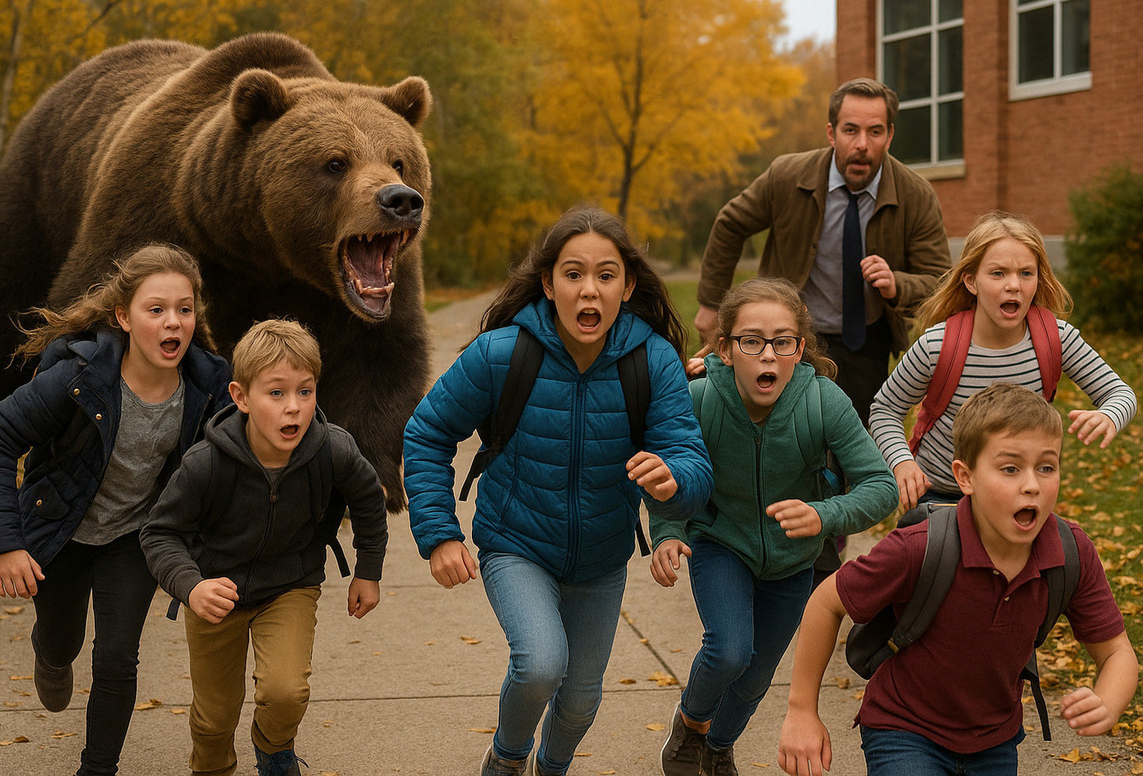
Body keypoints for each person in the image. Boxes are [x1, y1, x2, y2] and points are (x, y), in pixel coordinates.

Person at [403, 205, 714, 776]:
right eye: (573, 274)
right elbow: (427, 433)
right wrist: (440, 534)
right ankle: (506, 760)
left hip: (601, 558)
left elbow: (690, 461)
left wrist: (674, 481)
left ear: (627, 287)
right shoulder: (502, 354)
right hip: (515, 543)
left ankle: (552, 767)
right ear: (548, 284)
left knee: (580, 702)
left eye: (605, 275)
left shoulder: (653, 361)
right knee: (540, 664)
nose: (588, 290)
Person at [0, 244, 233, 776]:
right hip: (60, 528)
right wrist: (4, 545)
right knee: (62, 641)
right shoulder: (77, 377)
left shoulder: (208, 386)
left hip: (134, 536)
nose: (173, 322)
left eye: (184, 309)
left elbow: (245, 456)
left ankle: (97, 769)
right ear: (123, 318)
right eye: (155, 309)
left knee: (117, 656)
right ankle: (50, 652)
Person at [777, 383, 1138, 776]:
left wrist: (1108, 700)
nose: (1032, 484)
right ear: (965, 477)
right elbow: (826, 602)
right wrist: (802, 712)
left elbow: (1117, 653)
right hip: (904, 729)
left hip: (995, 740)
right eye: (1010, 468)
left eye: (1046, 467)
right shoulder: (919, 547)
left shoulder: (1070, 552)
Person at [650, 278, 898, 776]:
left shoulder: (823, 401)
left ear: (800, 349)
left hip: (793, 558)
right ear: (725, 349)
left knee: (757, 674)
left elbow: (881, 485)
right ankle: (691, 725)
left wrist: (825, 515)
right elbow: (667, 472)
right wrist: (667, 532)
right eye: (752, 341)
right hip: (719, 541)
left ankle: (719, 746)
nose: (768, 354)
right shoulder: (699, 399)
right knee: (729, 650)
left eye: (782, 342)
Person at [140, 319, 387, 776]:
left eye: (305, 391)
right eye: (276, 393)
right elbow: (159, 533)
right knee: (214, 718)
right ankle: (211, 768)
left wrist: (367, 570)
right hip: (214, 592)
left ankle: (274, 750)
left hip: (290, 586)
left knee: (286, 693)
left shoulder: (331, 449)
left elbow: (370, 499)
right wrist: (191, 587)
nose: (294, 407)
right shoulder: (206, 462)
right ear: (241, 397)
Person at [694, 77, 952, 427]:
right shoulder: (787, 176)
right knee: (782, 433)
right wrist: (711, 303)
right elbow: (730, 224)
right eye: (850, 130)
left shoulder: (916, 195)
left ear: (890, 135)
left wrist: (897, 285)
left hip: (867, 343)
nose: (862, 144)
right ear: (831, 133)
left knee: (855, 438)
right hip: (787, 338)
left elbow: (940, 281)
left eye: (875, 132)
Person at [870, 211, 1137, 509]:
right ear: (971, 281)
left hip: (1018, 496)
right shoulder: (936, 346)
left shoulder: (1056, 339)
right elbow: (885, 409)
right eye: (998, 273)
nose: (1014, 285)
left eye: (1026, 273)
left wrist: (1109, 415)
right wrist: (902, 462)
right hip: (942, 497)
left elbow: (1121, 394)